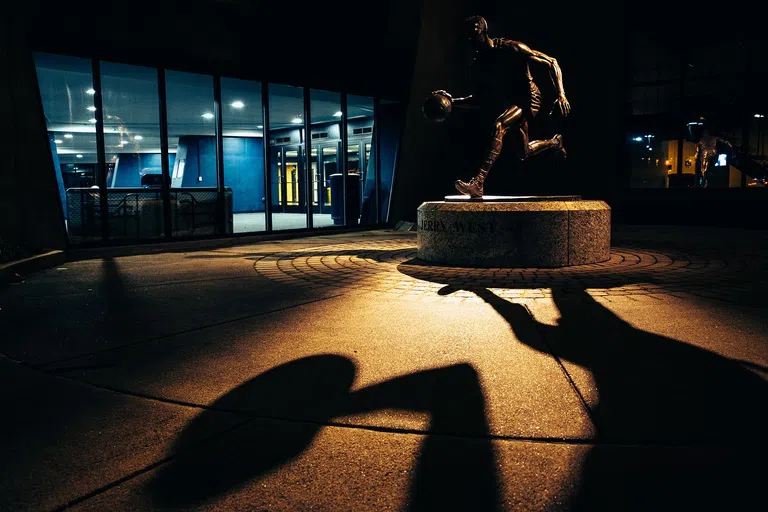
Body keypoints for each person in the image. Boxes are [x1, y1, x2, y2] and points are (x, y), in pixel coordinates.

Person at [434, 16, 571, 198]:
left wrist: (561, 94)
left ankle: (478, 182)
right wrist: (453, 101)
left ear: (484, 32)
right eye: (468, 38)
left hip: (530, 99)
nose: (471, 41)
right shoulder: (480, 64)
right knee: (524, 152)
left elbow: (552, 62)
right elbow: (480, 99)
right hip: (513, 102)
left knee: (500, 125)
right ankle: (555, 142)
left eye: (473, 36)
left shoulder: (510, 48)